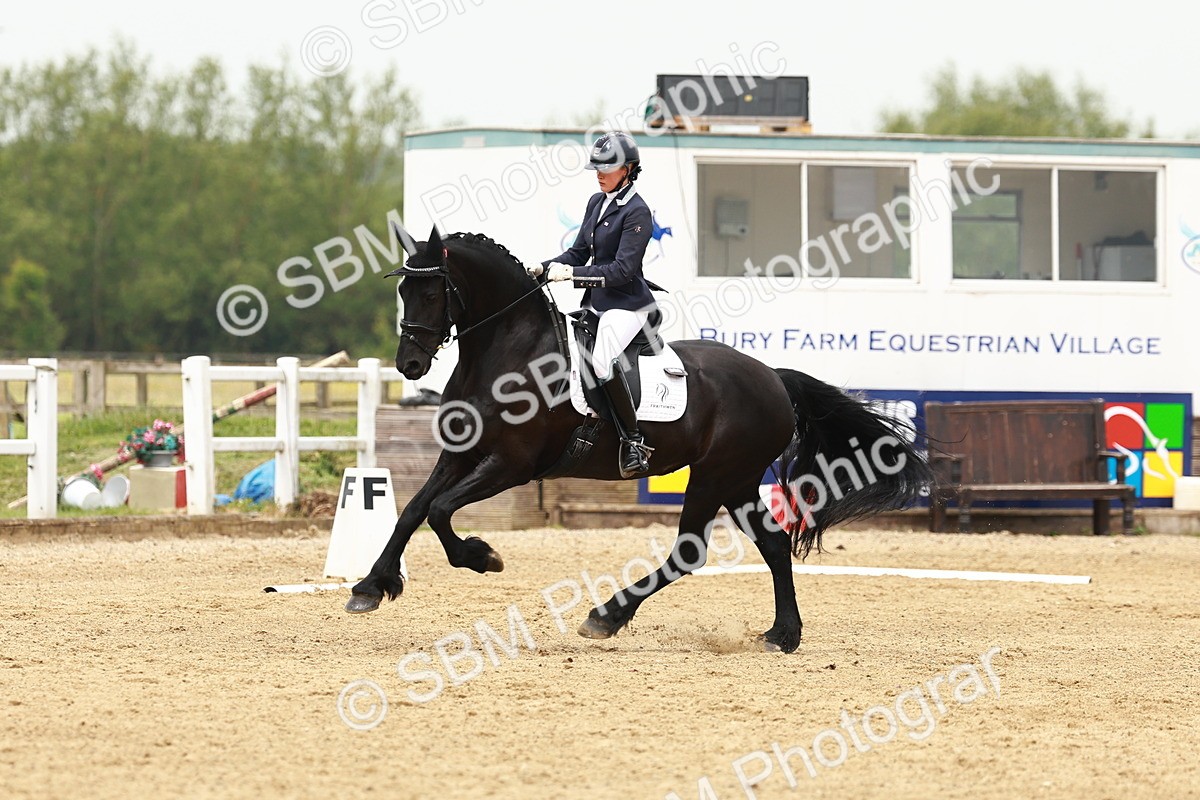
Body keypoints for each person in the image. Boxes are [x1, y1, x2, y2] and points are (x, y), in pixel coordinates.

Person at [528, 131, 657, 479]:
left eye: (608, 168)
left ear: (628, 169)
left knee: (601, 362)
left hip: (628, 306)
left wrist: (572, 275)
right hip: (596, 305)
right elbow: (577, 253)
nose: (599, 174)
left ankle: (633, 441)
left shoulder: (638, 211)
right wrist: (543, 267)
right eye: (596, 168)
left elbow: (622, 270)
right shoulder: (596, 202)